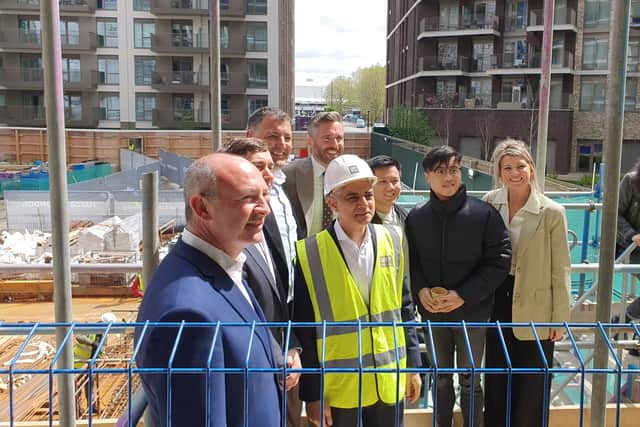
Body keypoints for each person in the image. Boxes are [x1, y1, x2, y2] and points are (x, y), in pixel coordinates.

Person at [135, 153, 281, 427]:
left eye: (264, 195)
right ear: (202, 208)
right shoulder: (186, 314)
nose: (264, 209)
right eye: (249, 198)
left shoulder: (221, 265)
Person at [293, 154, 422, 427]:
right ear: (332, 202)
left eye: (367, 195)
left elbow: (405, 309)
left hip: (389, 379)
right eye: (352, 197)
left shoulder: (393, 240)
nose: (364, 204)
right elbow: (305, 329)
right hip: (340, 389)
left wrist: (412, 366)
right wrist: (314, 395)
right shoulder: (309, 254)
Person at [405, 146, 511, 427]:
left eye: (454, 170)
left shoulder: (484, 215)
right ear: (427, 176)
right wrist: (421, 290)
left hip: (472, 316)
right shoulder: (416, 217)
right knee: (440, 378)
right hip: (433, 314)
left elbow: (500, 261)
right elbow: (410, 261)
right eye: (440, 171)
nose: (449, 177)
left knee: (470, 379)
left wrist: (463, 295)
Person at [482, 139, 571, 427]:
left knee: (532, 382)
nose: (514, 173)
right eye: (507, 167)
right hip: (497, 298)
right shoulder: (489, 203)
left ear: (531, 168)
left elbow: (561, 268)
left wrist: (560, 318)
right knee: (496, 375)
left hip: (537, 305)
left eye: (520, 166)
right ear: (498, 172)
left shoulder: (552, 213)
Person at [220, 137, 302, 389]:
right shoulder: (225, 237)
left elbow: (281, 293)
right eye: (258, 167)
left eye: (270, 167)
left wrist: (291, 345)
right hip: (249, 366)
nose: (268, 174)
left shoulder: (268, 219)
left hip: (282, 360)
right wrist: (277, 353)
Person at [246, 108, 304, 427]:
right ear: (249, 136)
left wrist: (292, 339)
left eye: (287, 137)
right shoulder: (234, 198)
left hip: (286, 321)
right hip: (255, 327)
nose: (281, 144)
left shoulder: (282, 189)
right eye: (272, 136)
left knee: (289, 414)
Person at [283, 111, 345, 238]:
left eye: (339, 138)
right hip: (302, 254)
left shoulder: (353, 177)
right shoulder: (289, 175)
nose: (334, 145)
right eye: (327, 138)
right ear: (310, 141)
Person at [74, 312, 116, 416]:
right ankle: (77, 410)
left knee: (89, 385)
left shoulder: (102, 332)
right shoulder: (92, 328)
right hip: (78, 364)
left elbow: (101, 349)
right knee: (77, 388)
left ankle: (91, 407)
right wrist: (93, 343)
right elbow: (79, 337)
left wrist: (100, 356)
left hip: (88, 363)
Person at [367, 155, 407, 227]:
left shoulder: (405, 217)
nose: (390, 187)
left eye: (395, 181)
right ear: (369, 185)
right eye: (383, 181)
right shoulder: (360, 222)